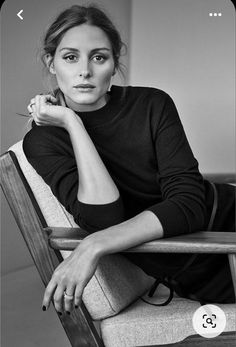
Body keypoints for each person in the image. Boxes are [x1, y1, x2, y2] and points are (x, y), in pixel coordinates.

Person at [23, 4, 235, 315]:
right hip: (203, 267)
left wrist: (95, 244)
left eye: (99, 57)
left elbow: (189, 206)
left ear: (113, 63)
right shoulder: (43, 141)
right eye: (70, 57)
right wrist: (72, 122)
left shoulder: (151, 103)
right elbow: (105, 218)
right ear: (51, 63)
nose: (85, 71)